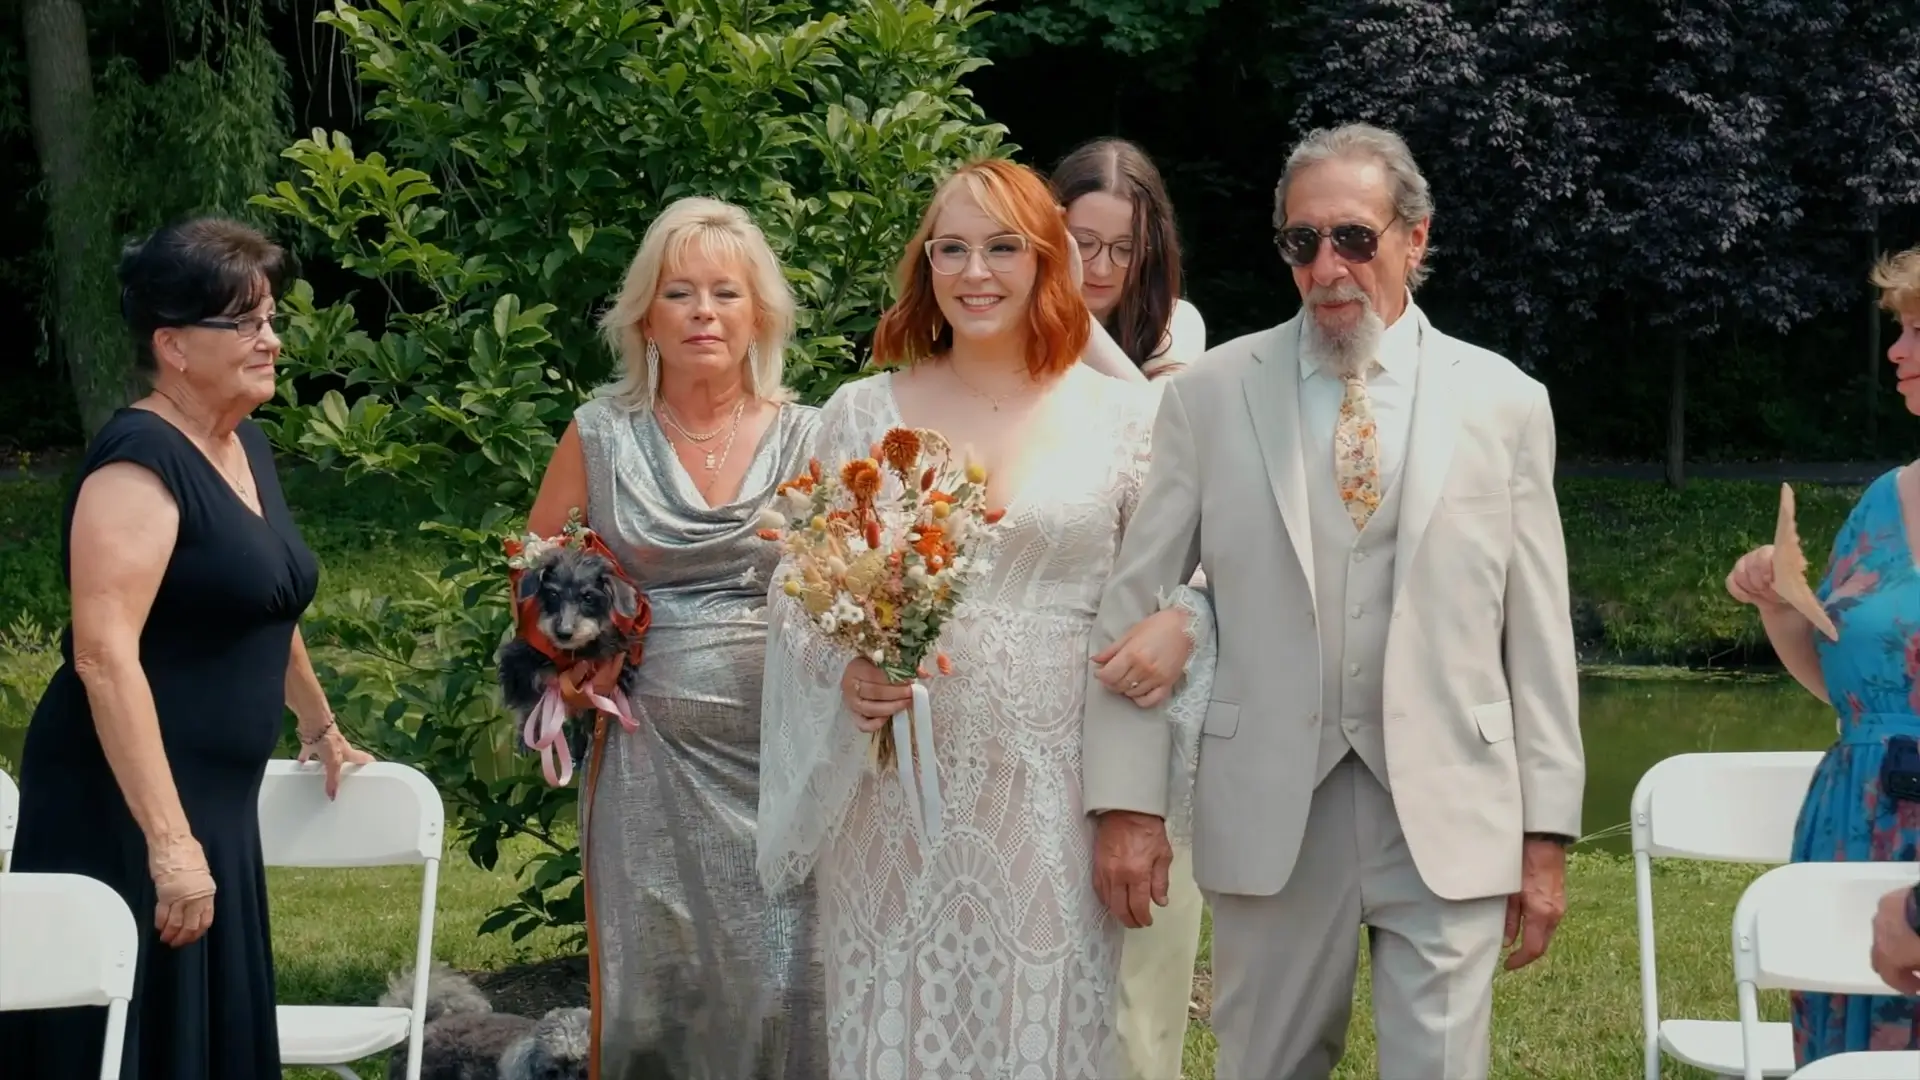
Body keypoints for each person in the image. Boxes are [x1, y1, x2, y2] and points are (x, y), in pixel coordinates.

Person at [1081, 122, 1585, 1080]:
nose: (1327, 266)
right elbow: (1131, 604)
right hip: (1271, 799)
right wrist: (1126, 804)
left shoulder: (1507, 401)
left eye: (1353, 237)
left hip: (1451, 804)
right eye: (1302, 242)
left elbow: (1540, 637)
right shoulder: (1214, 394)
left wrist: (1546, 834)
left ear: (1415, 239)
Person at [755, 158, 1212, 1080]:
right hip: (892, 802)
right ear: (925, 268)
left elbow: (1205, 572)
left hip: (1054, 788)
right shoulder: (861, 414)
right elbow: (795, 588)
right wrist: (846, 668)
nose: (975, 273)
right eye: (950, 249)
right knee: (896, 1024)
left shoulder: (1132, 418)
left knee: (1045, 1030)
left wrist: (1188, 622)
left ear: (1048, 261)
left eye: (1002, 248)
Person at [0, 217, 372, 1078]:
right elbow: (102, 655)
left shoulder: (242, 442)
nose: (270, 340)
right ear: (172, 344)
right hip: (126, 809)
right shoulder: (139, 463)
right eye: (244, 324)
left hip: (214, 808)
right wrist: (169, 844)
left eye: (271, 319)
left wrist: (317, 724)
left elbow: (266, 602)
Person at [525, 196, 826, 1078]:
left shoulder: (813, 437)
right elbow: (535, 572)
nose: (704, 313)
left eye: (726, 294)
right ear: (644, 318)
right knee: (658, 985)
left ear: (760, 314)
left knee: (789, 983)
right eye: (680, 293)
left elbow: (856, 584)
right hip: (646, 763)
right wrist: (565, 665)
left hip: (787, 763)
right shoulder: (600, 432)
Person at [1725, 242, 1920, 1063]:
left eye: (1918, 331)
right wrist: (1777, 606)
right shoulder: (1885, 499)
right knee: (1845, 1062)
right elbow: (1845, 685)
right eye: (1900, 328)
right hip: (1853, 821)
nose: (1897, 351)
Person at [1051, 135, 1209, 1078]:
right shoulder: (997, 361)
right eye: (1078, 245)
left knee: (1141, 972)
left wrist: (1072, 319)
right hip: (1021, 681)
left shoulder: (1176, 346)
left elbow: (1180, 455)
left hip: (1142, 682)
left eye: (1122, 250)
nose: (1100, 270)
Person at [1053, 137, 1208, 381]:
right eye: (1083, 243)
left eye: (1126, 248)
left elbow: (1159, 416)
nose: (1102, 269)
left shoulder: (1175, 321)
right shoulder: (1011, 316)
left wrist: (1077, 319)